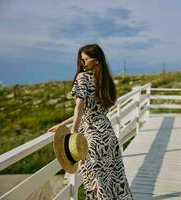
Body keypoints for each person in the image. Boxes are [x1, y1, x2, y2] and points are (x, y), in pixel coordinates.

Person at [48, 44, 134, 199]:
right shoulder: (106, 81)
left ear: (96, 61)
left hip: (91, 139)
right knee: (115, 183)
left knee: (96, 185)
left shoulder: (82, 78)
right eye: (81, 60)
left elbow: (80, 107)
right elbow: (89, 111)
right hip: (108, 137)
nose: (82, 63)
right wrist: (63, 124)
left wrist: (73, 133)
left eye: (85, 60)